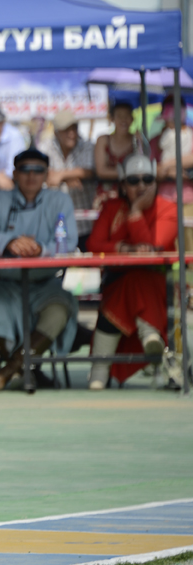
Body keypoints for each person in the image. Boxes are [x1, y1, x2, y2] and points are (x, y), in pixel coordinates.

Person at [0, 148, 79, 392]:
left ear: (47, 174)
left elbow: (69, 242)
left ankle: (8, 371)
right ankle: (25, 368)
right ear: (14, 174)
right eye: (25, 170)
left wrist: (40, 248)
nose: (31, 176)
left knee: (60, 309)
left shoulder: (59, 201)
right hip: (6, 284)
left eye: (38, 170)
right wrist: (8, 241)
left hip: (46, 284)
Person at [85, 154, 176, 390]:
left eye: (147, 179)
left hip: (156, 281)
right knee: (129, 285)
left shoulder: (168, 209)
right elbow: (94, 245)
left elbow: (152, 247)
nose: (141, 186)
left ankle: (100, 369)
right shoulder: (111, 207)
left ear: (156, 181)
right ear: (123, 185)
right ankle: (149, 333)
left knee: (134, 284)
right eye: (134, 181)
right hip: (119, 279)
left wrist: (135, 212)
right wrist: (122, 248)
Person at [42, 110, 95, 248]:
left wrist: (60, 176)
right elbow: (42, 172)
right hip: (55, 223)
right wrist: (70, 176)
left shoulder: (87, 145)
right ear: (56, 132)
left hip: (84, 223)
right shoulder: (46, 146)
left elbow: (88, 171)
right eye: (66, 130)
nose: (72, 133)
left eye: (74, 128)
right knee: (58, 266)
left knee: (89, 266)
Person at [150, 95, 193, 203]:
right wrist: (169, 171)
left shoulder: (191, 134)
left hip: (189, 199)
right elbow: (150, 169)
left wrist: (166, 166)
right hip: (162, 199)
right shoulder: (155, 140)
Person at [94, 100, 139, 201]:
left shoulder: (137, 140)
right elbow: (101, 171)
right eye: (119, 116)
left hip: (131, 195)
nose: (123, 120)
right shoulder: (103, 140)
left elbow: (142, 167)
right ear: (112, 119)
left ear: (132, 119)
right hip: (105, 196)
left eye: (127, 116)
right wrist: (129, 174)